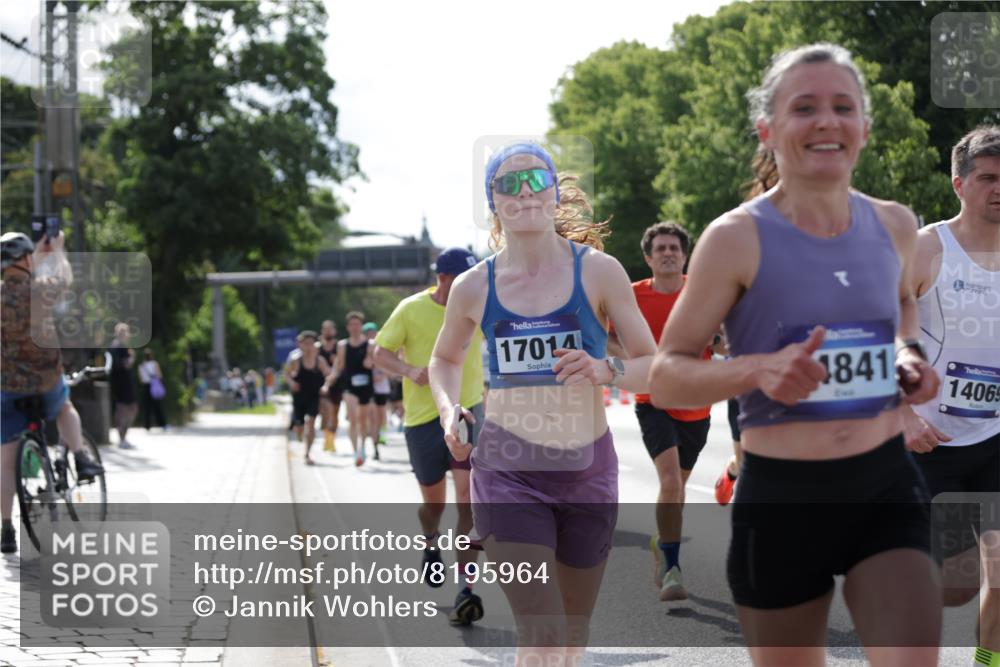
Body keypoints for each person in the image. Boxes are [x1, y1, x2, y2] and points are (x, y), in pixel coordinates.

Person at [649, 43, 941, 665]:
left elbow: (899, 308)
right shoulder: (735, 238)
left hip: (884, 487)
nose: (826, 121)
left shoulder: (895, 224)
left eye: (843, 106)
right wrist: (759, 369)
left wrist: (905, 356)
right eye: (804, 107)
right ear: (769, 130)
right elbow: (668, 376)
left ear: (863, 125)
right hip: (782, 499)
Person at [429, 144, 657, 663]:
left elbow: (652, 363)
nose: (525, 191)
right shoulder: (473, 286)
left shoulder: (600, 272)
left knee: (572, 638)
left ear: (556, 191)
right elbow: (443, 360)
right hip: (509, 474)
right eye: (509, 184)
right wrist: (448, 411)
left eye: (536, 179)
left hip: (588, 471)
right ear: (493, 202)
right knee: (544, 632)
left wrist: (607, 370)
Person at [901, 125, 1000, 667]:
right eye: (988, 178)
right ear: (959, 183)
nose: (999, 189)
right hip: (929, 441)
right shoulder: (927, 248)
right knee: (956, 585)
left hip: (994, 434)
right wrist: (901, 416)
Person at [373, 247, 487, 627]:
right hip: (423, 419)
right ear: (442, 279)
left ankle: (465, 587)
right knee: (433, 504)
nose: (470, 288)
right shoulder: (410, 309)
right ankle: (430, 541)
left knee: (468, 498)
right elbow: (379, 352)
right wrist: (409, 369)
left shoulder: (478, 306)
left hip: (468, 409)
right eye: (462, 280)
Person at [608, 221, 714, 604]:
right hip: (652, 401)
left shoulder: (702, 292)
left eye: (675, 248)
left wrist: (719, 340)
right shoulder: (632, 296)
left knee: (679, 488)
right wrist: (635, 361)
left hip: (697, 404)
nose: (668, 253)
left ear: (684, 256)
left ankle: (660, 542)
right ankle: (672, 569)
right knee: (670, 481)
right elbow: (607, 334)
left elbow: (725, 338)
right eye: (661, 248)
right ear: (648, 257)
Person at [1, 231, 102, 554]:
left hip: (7, 387)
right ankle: (80, 457)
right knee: (64, 409)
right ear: (28, 259)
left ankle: (6, 530)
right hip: (45, 380)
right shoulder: (38, 290)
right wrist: (56, 251)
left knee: (5, 461)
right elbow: (65, 279)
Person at [284, 330, 334, 465]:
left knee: (311, 422)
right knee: (299, 426)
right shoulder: (296, 360)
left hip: (314, 396)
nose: (308, 347)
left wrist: (325, 386)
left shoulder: (320, 361)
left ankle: (307, 453)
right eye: (306, 343)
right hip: (299, 398)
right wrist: (292, 382)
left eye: (311, 343)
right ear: (300, 345)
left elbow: (329, 375)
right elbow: (286, 375)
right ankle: (300, 433)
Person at [336, 312, 377, 466]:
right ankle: (356, 452)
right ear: (347, 327)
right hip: (349, 385)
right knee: (352, 419)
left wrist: (370, 361)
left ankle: (363, 447)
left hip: (366, 386)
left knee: (363, 420)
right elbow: (339, 365)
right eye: (351, 325)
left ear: (361, 327)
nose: (354, 327)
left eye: (357, 324)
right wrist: (331, 377)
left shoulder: (371, 344)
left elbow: (374, 363)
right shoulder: (342, 345)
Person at [108, 322, 139, 449]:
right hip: (121, 383)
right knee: (124, 409)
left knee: (129, 409)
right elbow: (122, 365)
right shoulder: (117, 346)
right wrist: (131, 358)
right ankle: (122, 438)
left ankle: (123, 437)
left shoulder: (119, 346)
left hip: (124, 382)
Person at [364, 322, 391, 451]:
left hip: (382, 387)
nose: (371, 336)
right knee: (372, 415)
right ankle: (374, 441)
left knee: (382, 414)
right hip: (369, 388)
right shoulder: (364, 349)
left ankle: (382, 435)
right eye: (368, 333)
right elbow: (364, 366)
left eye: (372, 333)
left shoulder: (383, 347)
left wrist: (383, 375)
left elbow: (390, 367)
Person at [316, 320, 342, 452]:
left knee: (335, 414)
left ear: (335, 331)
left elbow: (343, 364)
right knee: (326, 411)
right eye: (325, 329)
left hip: (337, 384)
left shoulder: (340, 347)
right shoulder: (317, 348)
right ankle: (327, 438)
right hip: (321, 384)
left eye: (330, 329)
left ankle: (331, 440)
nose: (328, 331)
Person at [138, 349, 168, 430]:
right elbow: (159, 375)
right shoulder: (155, 364)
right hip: (154, 386)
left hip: (145, 386)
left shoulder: (141, 365)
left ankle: (147, 426)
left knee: (147, 407)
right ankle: (163, 424)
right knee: (158, 407)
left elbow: (141, 379)